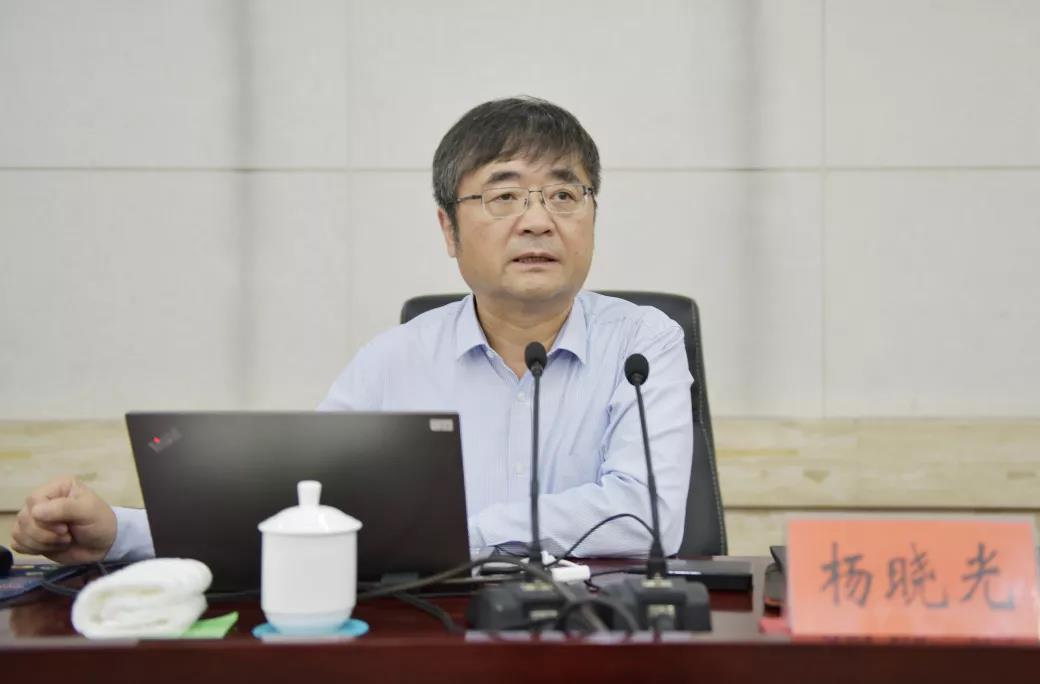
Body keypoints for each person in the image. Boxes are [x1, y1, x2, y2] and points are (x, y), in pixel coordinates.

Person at [10, 96, 693, 564]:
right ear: (448, 230)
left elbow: (643, 514)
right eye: (505, 195)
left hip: (601, 636)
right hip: (432, 638)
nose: (538, 220)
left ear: (592, 216)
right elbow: (296, 508)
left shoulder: (644, 343)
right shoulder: (394, 361)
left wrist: (453, 537)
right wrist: (121, 532)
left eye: (565, 195)